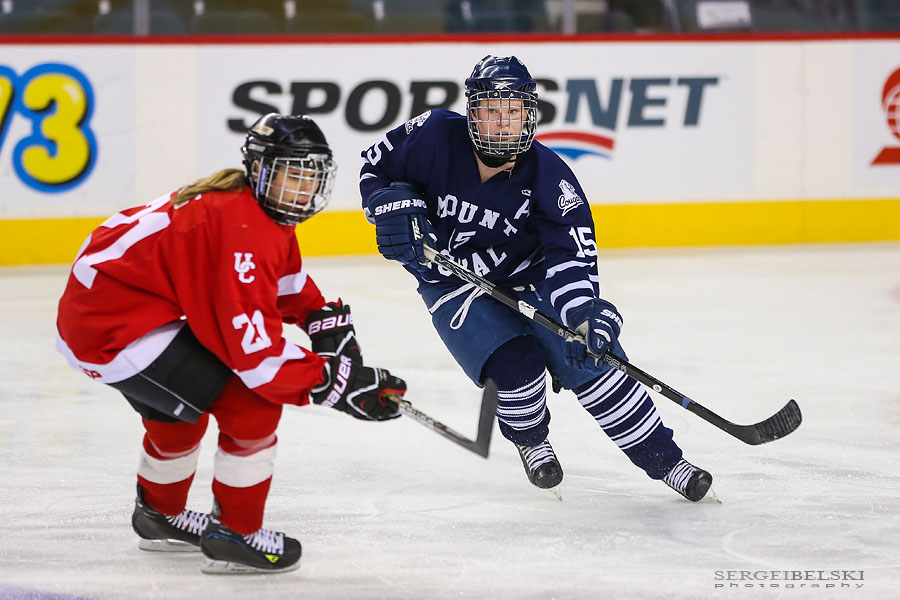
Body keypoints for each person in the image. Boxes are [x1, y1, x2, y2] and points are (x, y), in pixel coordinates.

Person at [56, 113, 406, 574]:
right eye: (292, 175)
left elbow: (285, 285)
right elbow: (257, 359)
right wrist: (335, 383)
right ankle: (236, 535)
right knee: (251, 402)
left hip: (112, 314)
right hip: (111, 330)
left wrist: (323, 321)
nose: (303, 190)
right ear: (259, 170)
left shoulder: (254, 210)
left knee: (180, 410)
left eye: (311, 177)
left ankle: (159, 514)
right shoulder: (238, 231)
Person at [359, 55, 713, 501]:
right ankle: (531, 441)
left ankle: (668, 462)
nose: (502, 122)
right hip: (452, 283)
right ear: (472, 112)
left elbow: (569, 256)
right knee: (516, 369)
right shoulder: (431, 135)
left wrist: (583, 312)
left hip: (533, 276)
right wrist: (387, 204)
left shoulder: (551, 177)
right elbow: (375, 170)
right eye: (491, 110)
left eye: (513, 111)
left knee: (594, 363)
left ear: (530, 114)